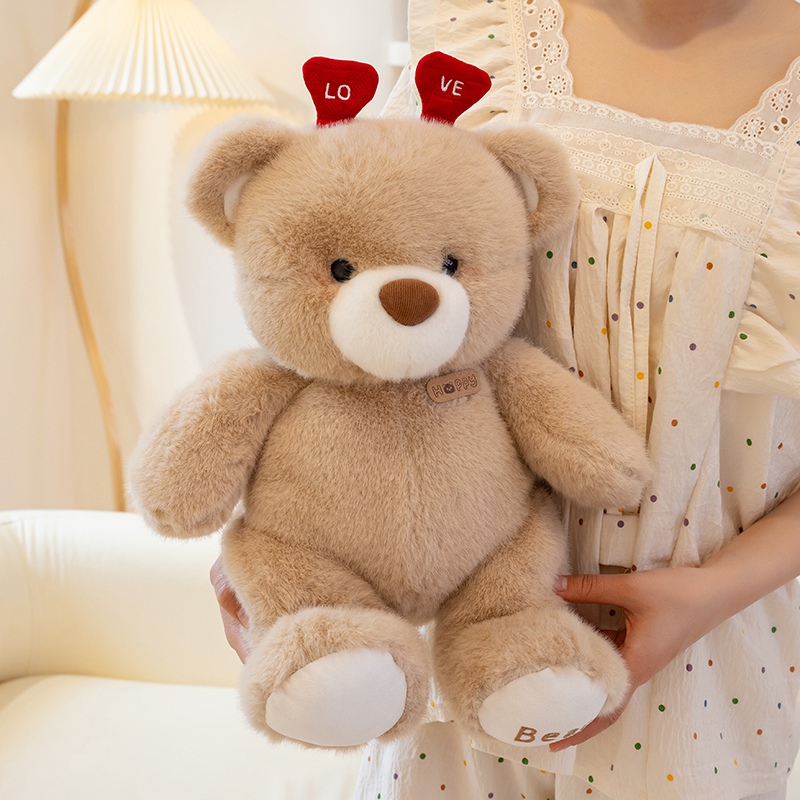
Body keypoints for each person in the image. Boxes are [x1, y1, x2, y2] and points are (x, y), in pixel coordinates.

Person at [212, 0, 800, 797]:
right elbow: (346, 312)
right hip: (453, 648)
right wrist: (279, 538)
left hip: (709, 673)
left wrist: (708, 596)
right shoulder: (475, 43)